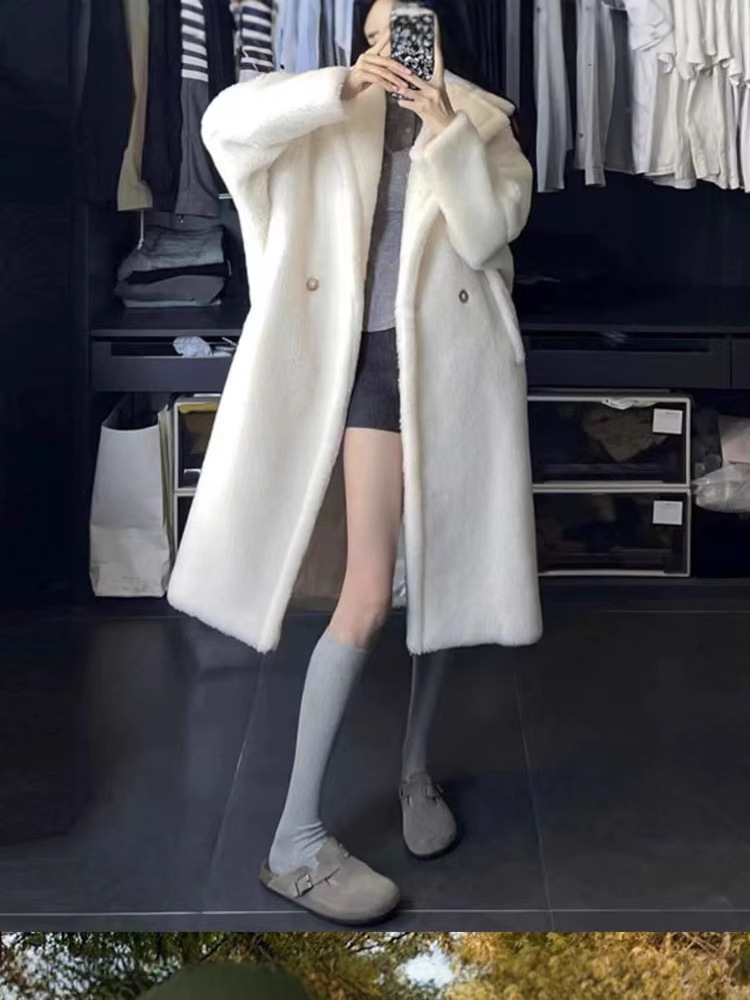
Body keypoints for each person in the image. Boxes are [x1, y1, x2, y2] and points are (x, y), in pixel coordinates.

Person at [167, 0, 543, 925]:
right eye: (377, 32)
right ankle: (293, 840)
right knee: (370, 592)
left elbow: (489, 232)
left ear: (442, 37)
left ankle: (414, 770)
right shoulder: (323, 108)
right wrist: (337, 86)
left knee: (444, 576)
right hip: (367, 369)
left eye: (409, 31)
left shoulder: (482, 121)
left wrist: (445, 127)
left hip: (454, 375)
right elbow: (222, 130)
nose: (392, 48)